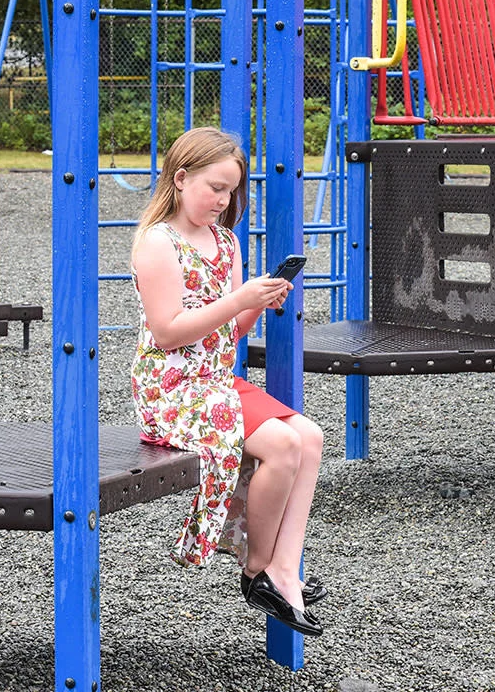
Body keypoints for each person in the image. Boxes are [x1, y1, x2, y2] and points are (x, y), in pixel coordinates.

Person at [130, 126, 326, 637]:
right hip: (171, 387)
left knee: (310, 437)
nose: (223, 200)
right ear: (180, 178)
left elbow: (229, 330)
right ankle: (258, 569)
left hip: (213, 378)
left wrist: (254, 306)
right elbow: (168, 331)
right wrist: (238, 300)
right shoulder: (158, 242)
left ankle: (286, 567)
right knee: (283, 444)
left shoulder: (225, 241)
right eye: (215, 187)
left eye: (231, 191)